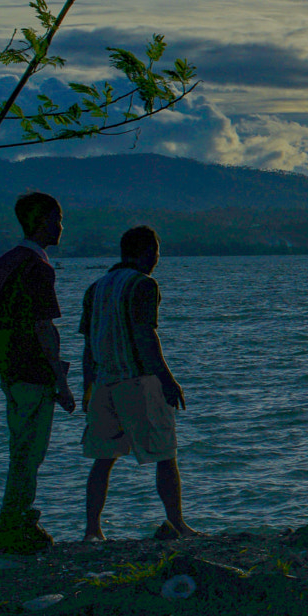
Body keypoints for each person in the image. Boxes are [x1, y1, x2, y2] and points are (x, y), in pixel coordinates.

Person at [80, 226, 197, 540]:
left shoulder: (95, 288)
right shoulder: (144, 285)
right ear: (146, 252)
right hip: (138, 383)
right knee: (165, 454)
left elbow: (88, 345)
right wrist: (168, 380)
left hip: (104, 384)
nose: (157, 260)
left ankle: (92, 530)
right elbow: (146, 336)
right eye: (156, 253)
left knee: (103, 460)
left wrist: (86, 387)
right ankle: (177, 524)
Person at [0, 191, 75, 554]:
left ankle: (17, 520)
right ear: (41, 221)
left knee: (19, 446)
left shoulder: (6, 261)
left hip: (9, 367)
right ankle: (14, 524)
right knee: (30, 451)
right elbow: (45, 328)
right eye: (56, 219)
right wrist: (62, 381)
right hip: (32, 370)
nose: (60, 226)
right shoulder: (38, 267)